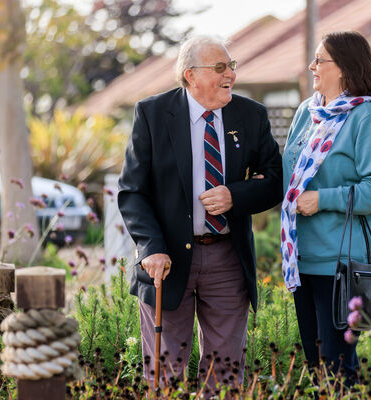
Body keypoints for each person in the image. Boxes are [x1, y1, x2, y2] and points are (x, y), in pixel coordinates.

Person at [118, 35, 283, 393]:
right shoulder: (152, 114)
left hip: (226, 257)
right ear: (190, 75)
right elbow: (132, 193)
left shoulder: (250, 115)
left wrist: (234, 196)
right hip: (167, 259)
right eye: (220, 68)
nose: (231, 75)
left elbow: (274, 180)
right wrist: (151, 248)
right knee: (165, 375)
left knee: (224, 375)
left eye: (232, 66)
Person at [280, 31, 371, 383]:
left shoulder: (367, 117)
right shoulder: (308, 113)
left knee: (337, 371)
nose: (312, 66)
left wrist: (323, 199)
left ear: (345, 68)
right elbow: (287, 176)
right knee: (315, 368)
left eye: (320, 60)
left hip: (340, 266)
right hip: (301, 260)